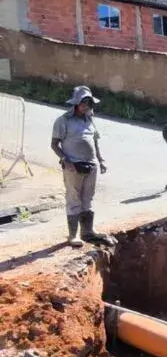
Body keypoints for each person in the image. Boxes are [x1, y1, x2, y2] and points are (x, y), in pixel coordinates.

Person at [51, 86, 114, 247]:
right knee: (74, 199)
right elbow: (54, 144)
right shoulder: (63, 120)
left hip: (91, 165)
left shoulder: (90, 119)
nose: (87, 106)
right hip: (73, 166)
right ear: (76, 103)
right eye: (84, 102)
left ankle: (87, 231)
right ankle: (73, 235)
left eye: (89, 103)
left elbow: (95, 141)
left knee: (88, 199)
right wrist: (66, 159)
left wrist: (100, 160)